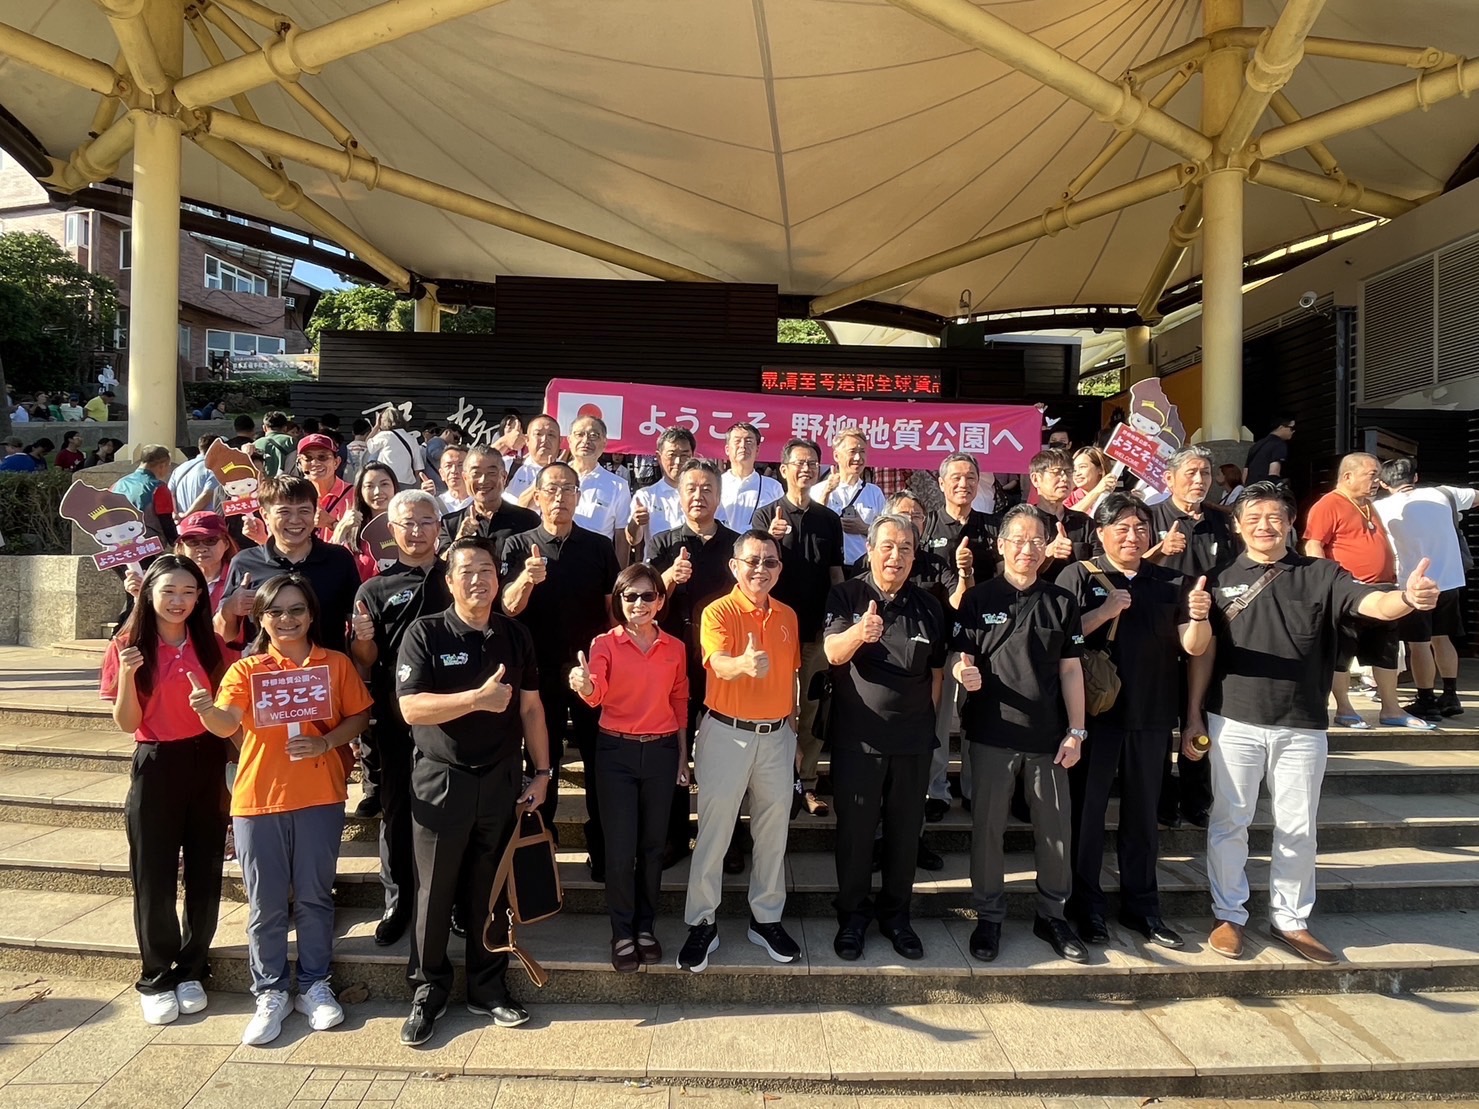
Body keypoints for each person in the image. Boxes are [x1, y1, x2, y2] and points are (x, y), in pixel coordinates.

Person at [1185, 481, 1440, 964]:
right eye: (1254, 517)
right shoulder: (1216, 580)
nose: (1265, 525)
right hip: (1233, 719)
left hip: (1302, 723)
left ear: (1290, 523)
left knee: (1298, 827)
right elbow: (1201, 653)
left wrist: (1406, 598)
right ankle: (1228, 913)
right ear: (1238, 526)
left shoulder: (1322, 574)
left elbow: (1371, 603)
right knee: (1229, 821)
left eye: (1275, 516)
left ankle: (1290, 918)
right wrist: (1194, 712)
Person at [190, 573, 372, 1045]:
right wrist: (205, 709)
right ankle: (269, 992)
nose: (287, 620)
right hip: (257, 799)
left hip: (320, 795)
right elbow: (225, 721)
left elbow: (359, 715)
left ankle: (315, 985)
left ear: (312, 614)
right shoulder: (246, 670)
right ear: (260, 618)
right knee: (266, 904)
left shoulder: (334, 664)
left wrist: (326, 741)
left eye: (296, 610)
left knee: (314, 897)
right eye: (276, 611)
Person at [396, 538, 551, 1044]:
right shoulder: (426, 633)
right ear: (450, 580)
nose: (479, 579)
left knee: (490, 891)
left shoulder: (517, 633)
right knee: (434, 891)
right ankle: (428, 990)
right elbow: (412, 708)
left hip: (502, 779)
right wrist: (476, 700)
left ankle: (487, 987)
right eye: (467, 571)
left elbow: (530, 708)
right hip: (442, 781)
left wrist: (544, 772)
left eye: (487, 569)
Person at [1055, 495, 1212, 950]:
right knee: (1087, 816)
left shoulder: (1170, 581)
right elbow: (1059, 636)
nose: (1132, 535)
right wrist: (1104, 612)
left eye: (1141, 527)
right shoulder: (1078, 575)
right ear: (1100, 532)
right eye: (1121, 527)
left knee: (1144, 816)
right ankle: (1085, 909)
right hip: (1095, 718)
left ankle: (1144, 908)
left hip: (1152, 714)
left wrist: (1199, 616)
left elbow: (1194, 646)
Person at [951, 503, 1088, 964]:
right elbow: (961, 656)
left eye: (1036, 541)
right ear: (1001, 545)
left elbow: (1071, 671)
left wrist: (1076, 731)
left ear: (1046, 546)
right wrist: (961, 674)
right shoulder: (978, 598)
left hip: (1048, 739)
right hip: (991, 734)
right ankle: (988, 915)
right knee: (987, 830)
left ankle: (1052, 914)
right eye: (1019, 540)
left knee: (1055, 832)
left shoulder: (1061, 601)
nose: (1027, 549)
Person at [101, 555, 233, 1025]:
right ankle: (157, 975)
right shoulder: (127, 646)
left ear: (200, 597)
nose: (178, 601)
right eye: (168, 591)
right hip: (155, 762)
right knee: (153, 874)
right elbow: (126, 724)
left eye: (188, 592)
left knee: (205, 868)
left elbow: (229, 714)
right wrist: (131, 677)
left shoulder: (212, 644)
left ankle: (194, 965)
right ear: (148, 594)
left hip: (206, 759)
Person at [678, 529, 803, 972]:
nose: (761, 569)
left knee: (773, 834)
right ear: (734, 566)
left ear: (779, 570)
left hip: (777, 737)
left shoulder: (788, 614)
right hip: (726, 734)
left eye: (770, 562)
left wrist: (793, 734)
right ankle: (702, 922)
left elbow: (790, 679)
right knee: (714, 832)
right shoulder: (718, 611)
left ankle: (765, 918)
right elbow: (718, 662)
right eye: (752, 561)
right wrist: (742, 665)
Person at [823, 513, 945, 961]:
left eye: (906, 548)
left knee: (904, 835)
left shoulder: (929, 605)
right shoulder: (846, 594)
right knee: (855, 836)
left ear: (916, 554)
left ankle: (897, 917)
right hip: (858, 741)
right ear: (870, 550)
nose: (896, 556)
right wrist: (859, 632)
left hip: (912, 741)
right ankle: (852, 918)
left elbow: (935, 674)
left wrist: (923, 722)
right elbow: (834, 654)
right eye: (887, 546)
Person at [501, 461, 622, 872]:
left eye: (568, 489)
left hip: (591, 673)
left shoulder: (599, 547)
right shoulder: (517, 546)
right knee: (541, 762)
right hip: (537, 675)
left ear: (579, 496)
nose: (559, 497)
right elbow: (507, 608)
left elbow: (613, 613)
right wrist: (526, 579)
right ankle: (540, 845)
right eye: (551, 489)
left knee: (598, 760)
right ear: (536, 495)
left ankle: (603, 848)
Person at [569, 563, 689, 971]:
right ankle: (622, 932)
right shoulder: (605, 643)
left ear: (660, 600)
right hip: (615, 753)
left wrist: (682, 756)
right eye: (630, 595)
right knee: (620, 850)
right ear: (619, 600)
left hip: (660, 753)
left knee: (654, 848)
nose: (639, 603)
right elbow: (596, 690)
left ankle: (645, 926)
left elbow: (679, 702)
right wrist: (584, 685)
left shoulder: (674, 646)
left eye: (648, 595)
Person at [350, 490, 450, 947]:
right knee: (396, 811)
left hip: (453, 722)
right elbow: (365, 659)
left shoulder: (459, 577)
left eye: (426, 522)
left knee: (451, 815)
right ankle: (398, 901)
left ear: (439, 526)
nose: (416, 531)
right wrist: (364, 639)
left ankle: (450, 905)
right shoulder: (374, 588)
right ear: (391, 530)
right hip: (395, 722)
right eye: (407, 523)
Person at [646, 459, 740, 868]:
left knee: (725, 753)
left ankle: (728, 840)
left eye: (707, 488)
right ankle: (673, 836)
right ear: (679, 494)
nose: (699, 495)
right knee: (673, 749)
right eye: (691, 488)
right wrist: (668, 578)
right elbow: (642, 606)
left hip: (722, 661)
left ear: (719, 496)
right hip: (672, 660)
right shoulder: (662, 544)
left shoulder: (737, 546)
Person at [1143, 445, 1238, 827]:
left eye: (1204, 473)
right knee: (1162, 721)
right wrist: (1159, 550)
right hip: (1161, 633)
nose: (1198, 481)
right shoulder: (1148, 517)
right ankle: (1162, 800)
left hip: (1210, 635)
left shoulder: (1223, 520)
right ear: (1169, 479)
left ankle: (1196, 798)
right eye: (1190, 473)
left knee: (1199, 717)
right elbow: (1127, 568)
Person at [1303, 453, 1431, 730]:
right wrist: (1327, 585)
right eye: (1371, 474)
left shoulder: (1368, 505)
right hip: (1348, 592)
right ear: (1347, 476)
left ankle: (1391, 708)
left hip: (1383, 591)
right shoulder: (1328, 504)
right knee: (1342, 651)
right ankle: (1344, 708)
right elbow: (1313, 545)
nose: (1377, 480)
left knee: (1385, 650)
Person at [757, 437, 844, 815]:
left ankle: (805, 783)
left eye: (812, 463)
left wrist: (842, 619)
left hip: (816, 630)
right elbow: (754, 572)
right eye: (799, 463)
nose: (806, 469)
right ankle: (767, 783)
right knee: (772, 707)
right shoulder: (766, 516)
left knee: (810, 709)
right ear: (783, 469)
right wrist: (772, 541)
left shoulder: (829, 519)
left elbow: (836, 572)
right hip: (773, 630)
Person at [916, 452, 999, 819]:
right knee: (938, 716)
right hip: (940, 641)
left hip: (984, 639)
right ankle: (936, 791)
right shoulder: (926, 527)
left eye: (970, 477)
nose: (963, 484)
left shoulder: (992, 527)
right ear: (941, 483)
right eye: (956, 477)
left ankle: (972, 788)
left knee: (976, 715)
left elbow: (1002, 580)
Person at [1374, 457, 1473, 721]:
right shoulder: (1444, 494)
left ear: (1383, 483)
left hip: (1413, 584)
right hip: (1449, 579)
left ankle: (1426, 699)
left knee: (1419, 644)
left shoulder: (1379, 508)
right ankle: (1451, 694)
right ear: (1415, 477)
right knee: (1443, 638)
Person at [218, 476, 361, 652]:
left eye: (304, 511)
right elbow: (224, 634)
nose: (295, 520)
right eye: (284, 512)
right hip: (265, 674)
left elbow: (357, 628)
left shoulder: (339, 559)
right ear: (265, 515)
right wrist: (231, 608)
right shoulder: (244, 562)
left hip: (326, 673)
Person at [439, 445, 540, 555]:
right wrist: (459, 540)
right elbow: (441, 567)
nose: (483, 480)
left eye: (491, 473)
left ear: (504, 477)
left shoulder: (528, 521)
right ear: (465, 478)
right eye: (476, 473)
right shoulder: (449, 524)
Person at [821, 427, 887, 572]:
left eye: (862, 451)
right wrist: (826, 491)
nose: (858, 458)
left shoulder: (874, 492)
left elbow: (886, 534)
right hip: (828, 568)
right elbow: (813, 525)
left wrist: (864, 528)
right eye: (852, 452)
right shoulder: (819, 490)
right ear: (837, 456)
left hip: (864, 568)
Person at [568, 414, 632, 560]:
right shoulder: (553, 477)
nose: (586, 441)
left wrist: (619, 577)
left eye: (593, 435)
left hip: (596, 564)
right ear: (570, 440)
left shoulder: (618, 485)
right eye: (580, 435)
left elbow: (622, 536)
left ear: (604, 443)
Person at [625, 427, 695, 555]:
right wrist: (636, 522)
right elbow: (633, 540)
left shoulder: (701, 495)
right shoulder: (646, 496)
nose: (678, 462)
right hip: (657, 568)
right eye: (672, 455)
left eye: (685, 455)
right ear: (659, 456)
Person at [1027, 449, 1096, 575]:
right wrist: (1047, 554)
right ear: (1036, 479)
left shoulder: (1085, 522)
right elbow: (1014, 571)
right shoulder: (1024, 521)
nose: (1064, 478)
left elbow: (1099, 563)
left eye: (1068, 472)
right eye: (1056, 472)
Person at [330, 462, 399, 580]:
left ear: (395, 487)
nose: (378, 492)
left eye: (384, 484)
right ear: (360, 492)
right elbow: (330, 566)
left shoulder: (407, 526)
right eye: (369, 486)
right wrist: (341, 529)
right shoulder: (352, 530)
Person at [717, 421, 783, 532]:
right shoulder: (716, 484)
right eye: (737, 441)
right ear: (727, 449)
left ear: (757, 450)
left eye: (748, 441)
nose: (743, 446)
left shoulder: (773, 487)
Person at [112, 445, 178, 546]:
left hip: (117, 544)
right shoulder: (158, 487)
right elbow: (166, 521)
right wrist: (176, 542)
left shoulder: (117, 484)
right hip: (147, 545)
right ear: (162, 465)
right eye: (168, 465)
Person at [297, 433, 354, 540]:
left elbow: (365, 541)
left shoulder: (355, 495)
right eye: (308, 458)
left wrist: (331, 522)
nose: (315, 463)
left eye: (322, 457)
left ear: (336, 462)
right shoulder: (294, 496)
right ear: (300, 464)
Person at [504, 414, 562, 507]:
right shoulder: (509, 465)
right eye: (538, 434)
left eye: (551, 435)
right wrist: (503, 443)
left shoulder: (569, 471)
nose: (544, 440)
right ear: (527, 439)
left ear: (560, 441)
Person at [366, 407, 426, 489]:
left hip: (388, 480)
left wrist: (376, 427)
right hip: (408, 482)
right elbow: (418, 467)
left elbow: (369, 445)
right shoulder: (412, 439)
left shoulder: (385, 435)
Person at [168, 435, 221, 518]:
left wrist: (175, 514)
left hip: (181, 525)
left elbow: (170, 494)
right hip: (205, 523)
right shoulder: (214, 469)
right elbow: (207, 495)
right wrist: (186, 515)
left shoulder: (179, 469)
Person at [1244, 414, 1295, 485]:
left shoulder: (1256, 445)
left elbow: (1245, 471)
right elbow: (1274, 472)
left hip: (1250, 489)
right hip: (1264, 490)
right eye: (1292, 428)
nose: (1293, 431)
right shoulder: (1279, 444)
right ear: (1281, 427)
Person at [1065, 447, 1116, 514]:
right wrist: (1096, 491)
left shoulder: (1114, 499)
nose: (1077, 473)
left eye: (1082, 467)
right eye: (1074, 469)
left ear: (1100, 469)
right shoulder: (1067, 497)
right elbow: (1069, 518)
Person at [253, 412, 296, 478]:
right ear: (285, 428)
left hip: (263, 484)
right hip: (284, 484)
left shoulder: (255, 444)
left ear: (264, 428)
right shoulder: (290, 441)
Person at [434, 442, 471, 514]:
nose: (454, 470)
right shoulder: (435, 507)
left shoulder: (483, 502)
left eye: (460, 465)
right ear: (441, 474)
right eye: (448, 466)